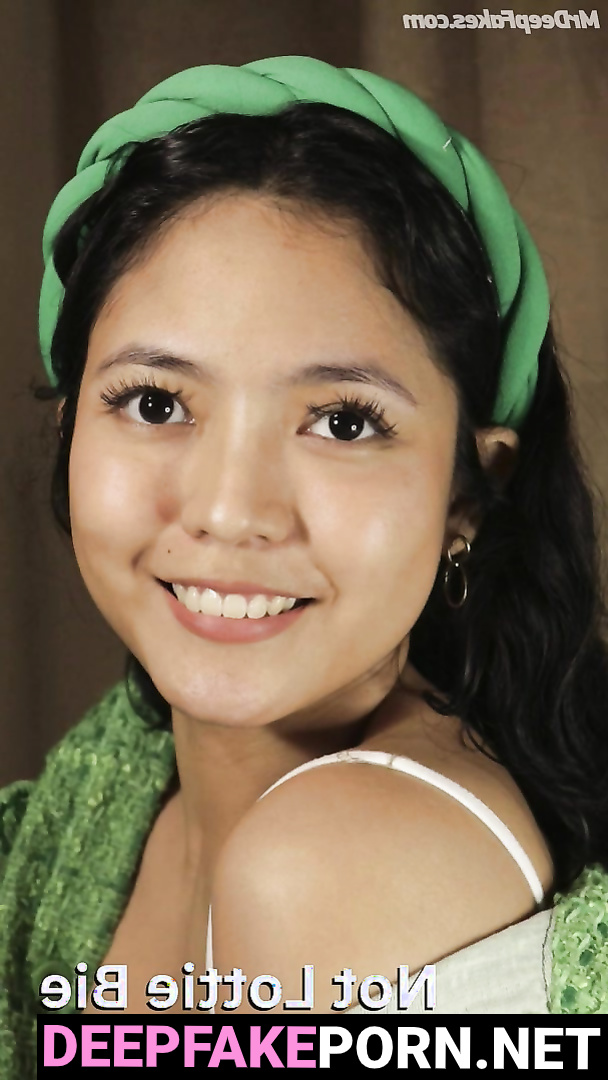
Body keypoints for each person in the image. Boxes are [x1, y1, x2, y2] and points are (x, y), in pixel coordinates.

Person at [1, 54, 607, 1067]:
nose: (229, 511)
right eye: (155, 402)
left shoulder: (323, 866)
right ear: (70, 434)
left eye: (342, 422)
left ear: (468, 493)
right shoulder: (103, 793)